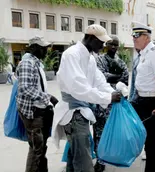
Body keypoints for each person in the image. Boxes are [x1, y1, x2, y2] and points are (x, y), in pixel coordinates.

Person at [51, 24, 121, 172]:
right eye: (100, 42)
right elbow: (79, 88)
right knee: (84, 162)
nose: (103, 46)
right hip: (74, 113)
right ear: (90, 38)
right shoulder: (72, 54)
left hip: (81, 112)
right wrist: (107, 97)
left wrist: (112, 93)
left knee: (74, 157)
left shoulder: (90, 58)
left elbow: (99, 81)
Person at [131, 21, 155, 172]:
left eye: (137, 36)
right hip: (141, 101)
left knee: (153, 143)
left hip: (150, 102)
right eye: (133, 36)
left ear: (146, 37)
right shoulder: (143, 54)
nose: (134, 39)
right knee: (147, 141)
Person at [16, 36, 58, 172]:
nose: (46, 51)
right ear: (34, 48)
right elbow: (25, 88)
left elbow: (38, 86)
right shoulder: (27, 63)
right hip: (32, 112)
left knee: (41, 146)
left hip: (41, 110)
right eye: (43, 48)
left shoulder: (37, 63)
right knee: (36, 149)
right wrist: (49, 97)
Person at [93, 35, 129, 172]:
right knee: (99, 132)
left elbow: (125, 78)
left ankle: (111, 155)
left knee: (114, 131)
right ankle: (100, 160)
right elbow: (101, 76)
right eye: (111, 44)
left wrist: (113, 77)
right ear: (106, 45)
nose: (113, 46)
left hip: (116, 104)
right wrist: (115, 77)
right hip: (102, 103)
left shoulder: (120, 61)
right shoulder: (99, 60)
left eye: (116, 44)